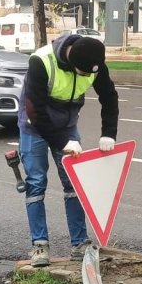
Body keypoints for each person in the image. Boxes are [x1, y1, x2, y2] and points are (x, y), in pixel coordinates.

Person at [18, 33, 120, 267]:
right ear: (71, 59)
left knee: (73, 183)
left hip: (67, 125)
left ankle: (80, 243)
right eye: (82, 72)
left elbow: (109, 97)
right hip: (35, 126)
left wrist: (109, 133)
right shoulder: (41, 62)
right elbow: (36, 112)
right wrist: (62, 142)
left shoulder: (93, 62)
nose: (87, 77)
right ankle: (39, 245)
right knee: (35, 183)